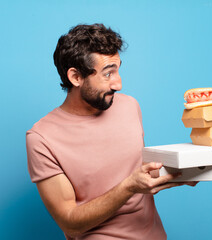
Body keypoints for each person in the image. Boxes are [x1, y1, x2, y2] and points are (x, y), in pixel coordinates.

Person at [26, 23, 196, 240]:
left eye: (118, 70)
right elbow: (70, 223)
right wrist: (128, 187)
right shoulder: (41, 138)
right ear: (76, 77)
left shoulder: (129, 106)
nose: (119, 83)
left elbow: (139, 174)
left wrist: (182, 173)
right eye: (108, 74)